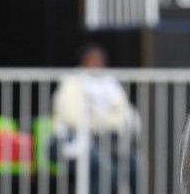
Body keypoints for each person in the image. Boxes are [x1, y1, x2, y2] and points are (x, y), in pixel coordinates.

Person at [52, 44, 139, 194]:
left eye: (100, 60)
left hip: (105, 141)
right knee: (104, 169)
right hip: (69, 141)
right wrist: (104, 122)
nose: (97, 64)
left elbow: (124, 115)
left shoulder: (110, 84)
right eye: (93, 60)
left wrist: (102, 122)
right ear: (84, 61)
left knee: (135, 164)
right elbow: (72, 116)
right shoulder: (72, 82)